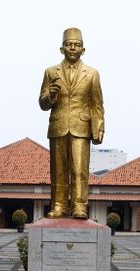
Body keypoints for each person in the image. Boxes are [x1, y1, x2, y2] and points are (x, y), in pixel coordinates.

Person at [39, 27, 105, 219]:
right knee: (58, 171)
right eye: (69, 45)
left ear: (83, 49)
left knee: (79, 170)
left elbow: (97, 104)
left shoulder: (92, 73)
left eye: (77, 45)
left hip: (81, 127)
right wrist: (50, 95)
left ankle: (79, 206)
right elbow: (42, 103)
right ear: (62, 49)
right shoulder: (50, 72)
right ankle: (58, 205)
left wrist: (98, 127)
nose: (73, 48)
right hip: (58, 125)